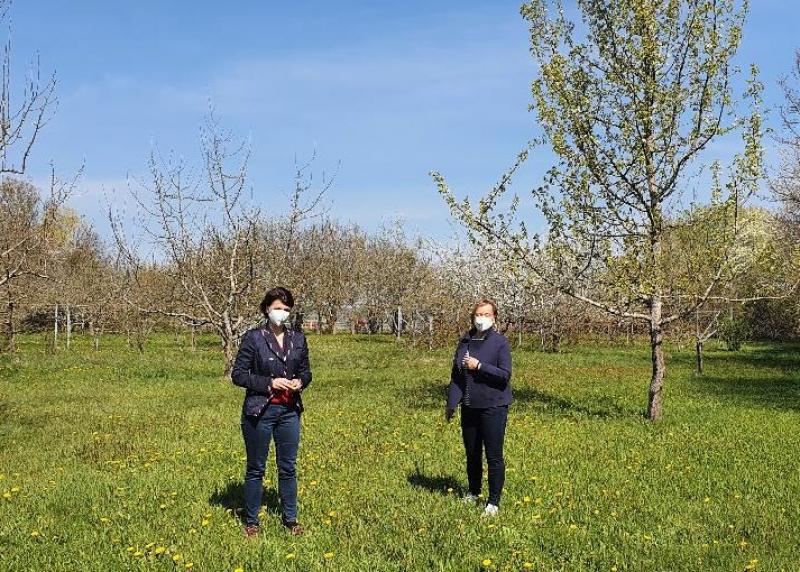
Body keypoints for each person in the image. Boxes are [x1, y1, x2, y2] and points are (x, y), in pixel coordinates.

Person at [231, 286, 312, 537]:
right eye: (278, 308)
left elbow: (306, 371)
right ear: (267, 309)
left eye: (287, 310)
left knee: (288, 467)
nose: (282, 313)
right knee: (256, 468)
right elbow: (239, 375)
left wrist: (301, 382)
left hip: (289, 412)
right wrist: (269, 383)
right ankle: (252, 521)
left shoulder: (298, 339)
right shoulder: (253, 338)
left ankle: (290, 519)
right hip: (260, 412)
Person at [445, 298, 512, 517]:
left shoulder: (500, 343)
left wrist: (480, 366)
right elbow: (457, 375)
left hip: (494, 405)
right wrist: (452, 403)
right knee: (472, 453)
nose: (481, 318)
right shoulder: (465, 341)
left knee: (493, 455)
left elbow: (504, 375)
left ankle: (493, 502)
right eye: (478, 314)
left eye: (486, 315)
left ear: (494, 318)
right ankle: (473, 492)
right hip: (470, 405)